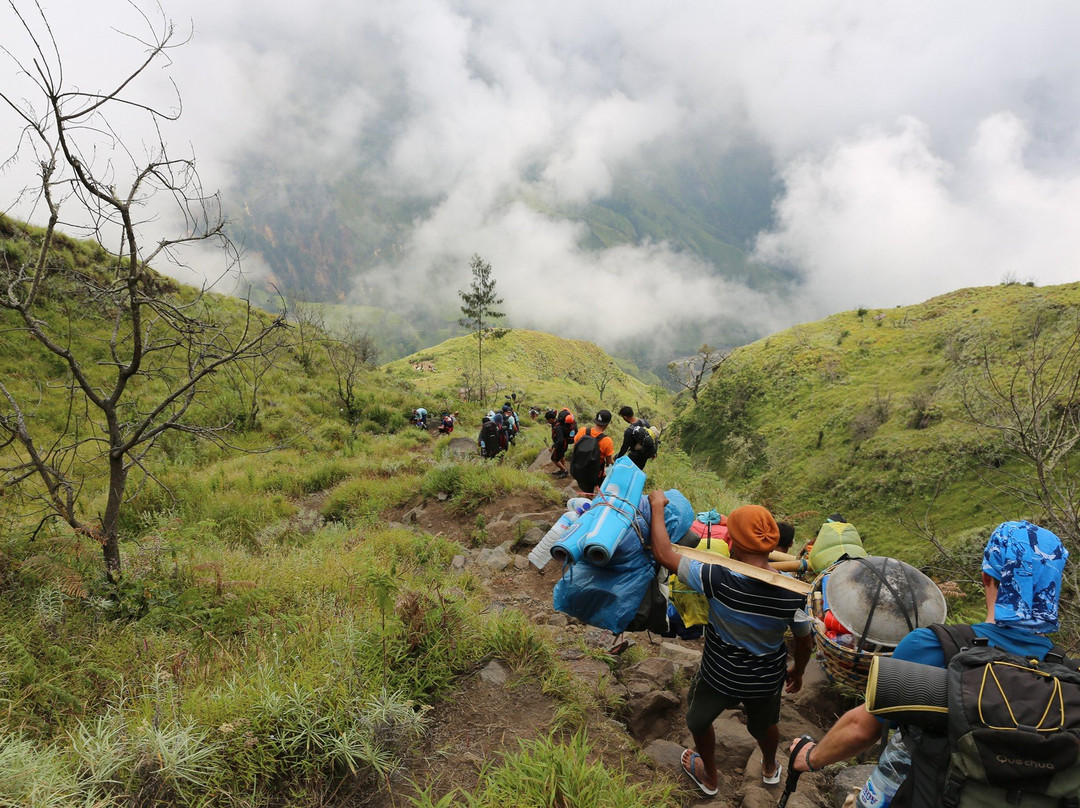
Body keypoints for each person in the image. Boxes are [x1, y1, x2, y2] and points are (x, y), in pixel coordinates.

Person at [789, 520, 1069, 805]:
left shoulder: (934, 646)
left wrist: (810, 757)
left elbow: (862, 728)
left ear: (986, 576)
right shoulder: (1067, 673)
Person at [646, 492, 813, 796]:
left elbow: (663, 553)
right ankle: (770, 766)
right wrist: (798, 670)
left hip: (718, 674)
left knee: (697, 720)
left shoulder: (717, 577)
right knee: (765, 725)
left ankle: (710, 778)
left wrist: (657, 507)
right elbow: (805, 640)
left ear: (732, 543)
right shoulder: (794, 594)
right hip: (765, 679)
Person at [569, 410, 615, 494]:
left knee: (586, 490)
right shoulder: (607, 441)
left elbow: (575, 448)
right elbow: (609, 462)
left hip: (579, 469)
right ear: (607, 424)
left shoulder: (582, 431)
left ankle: (587, 499)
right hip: (595, 474)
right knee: (598, 491)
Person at [614, 405, 656, 471]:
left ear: (625, 417)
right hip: (645, 455)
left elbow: (624, 448)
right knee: (637, 473)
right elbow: (652, 436)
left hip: (634, 457)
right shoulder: (645, 422)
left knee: (627, 473)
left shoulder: (629, 431)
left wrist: (616, 458)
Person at [545, 408, 575, 479]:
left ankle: (564, 470)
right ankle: (562, 469)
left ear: (551, 419)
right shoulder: (556, 423)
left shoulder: (557, 427)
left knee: (554, 459)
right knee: (561, 456)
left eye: (548, 419)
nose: (547, 421)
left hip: (561, 445)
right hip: (564, 444)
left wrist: (553, 446)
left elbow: (560, 440)